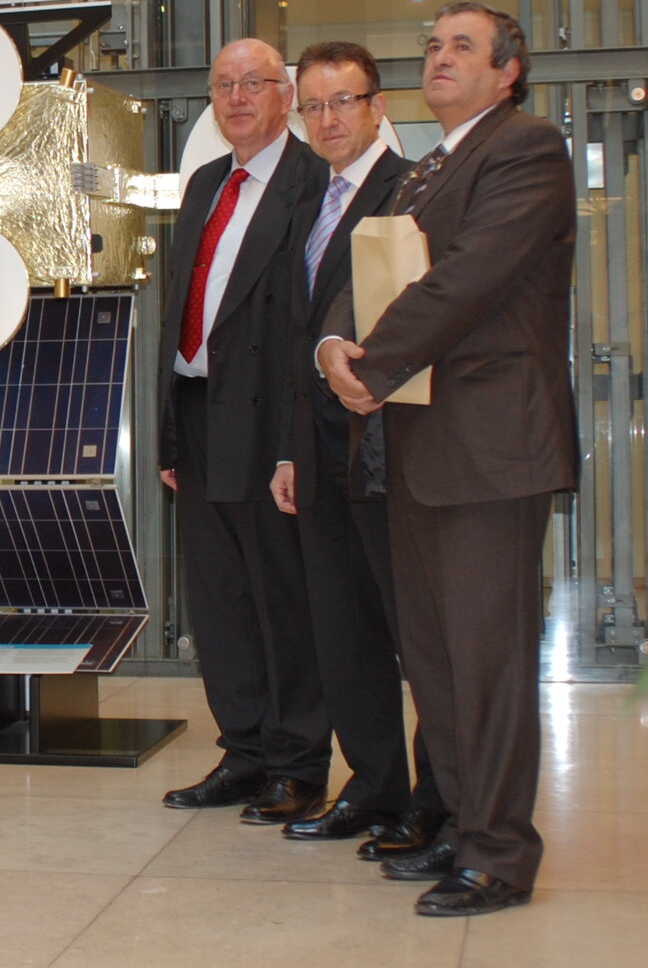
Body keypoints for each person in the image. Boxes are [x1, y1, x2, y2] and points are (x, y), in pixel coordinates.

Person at [319, 2, 576, 917]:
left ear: (508, 70)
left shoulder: (527, 147)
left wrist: (374, 364)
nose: (439, 58)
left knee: (486, 660)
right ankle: (463, 828)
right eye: (431, 46)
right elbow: (367, 264)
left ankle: (501, 855)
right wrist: (333, 348)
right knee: (434, 661)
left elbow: (467, 277)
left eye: (461, 46)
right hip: (418, 449)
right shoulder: (427, 166)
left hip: (492, 451)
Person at [269, 42, 443, 856]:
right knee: (343, 629)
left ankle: (436, 800)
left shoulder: (410, 190)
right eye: (314, 104)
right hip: (321, 447)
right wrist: (289, 452)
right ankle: (373, 786)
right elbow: (297, 335)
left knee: (419, 633)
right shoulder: (313, 198)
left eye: (345, 101)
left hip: (392, 442)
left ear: (378, 106)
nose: (329, 118)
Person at [157, 38, 330, 824]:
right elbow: (179, 311)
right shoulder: (202, 184)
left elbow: (308, 320)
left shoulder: (313, 183)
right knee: (220, 599)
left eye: (252, 83)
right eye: (223, 85)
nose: (235, 98)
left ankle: (298, 760)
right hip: (199, 413)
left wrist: (299, 442)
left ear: (284, 95)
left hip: (272, 420)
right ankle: (245, 749)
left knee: (283, 596)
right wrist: (165, 434)